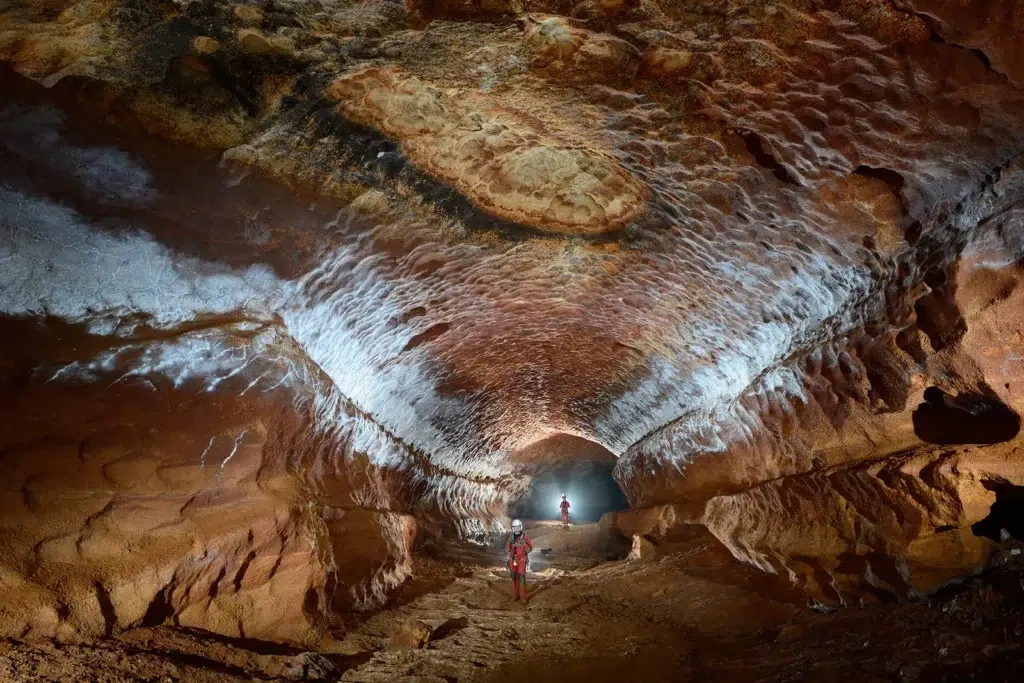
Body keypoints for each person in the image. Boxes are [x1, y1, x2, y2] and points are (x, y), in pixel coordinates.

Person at [506, 519, 532, 601]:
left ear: (521, 527)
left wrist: (523, 544)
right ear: (513, 528)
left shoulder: (525, 537)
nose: (517, 528)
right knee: (514, 578)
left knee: (521, 578)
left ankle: (523, 597)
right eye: (515, 527)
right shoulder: (511, 537)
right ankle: (515, 595)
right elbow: (508, 549)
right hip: (512, 559)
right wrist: (509, 542)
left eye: (518, 526)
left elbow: (530, 548)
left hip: (521, 560)